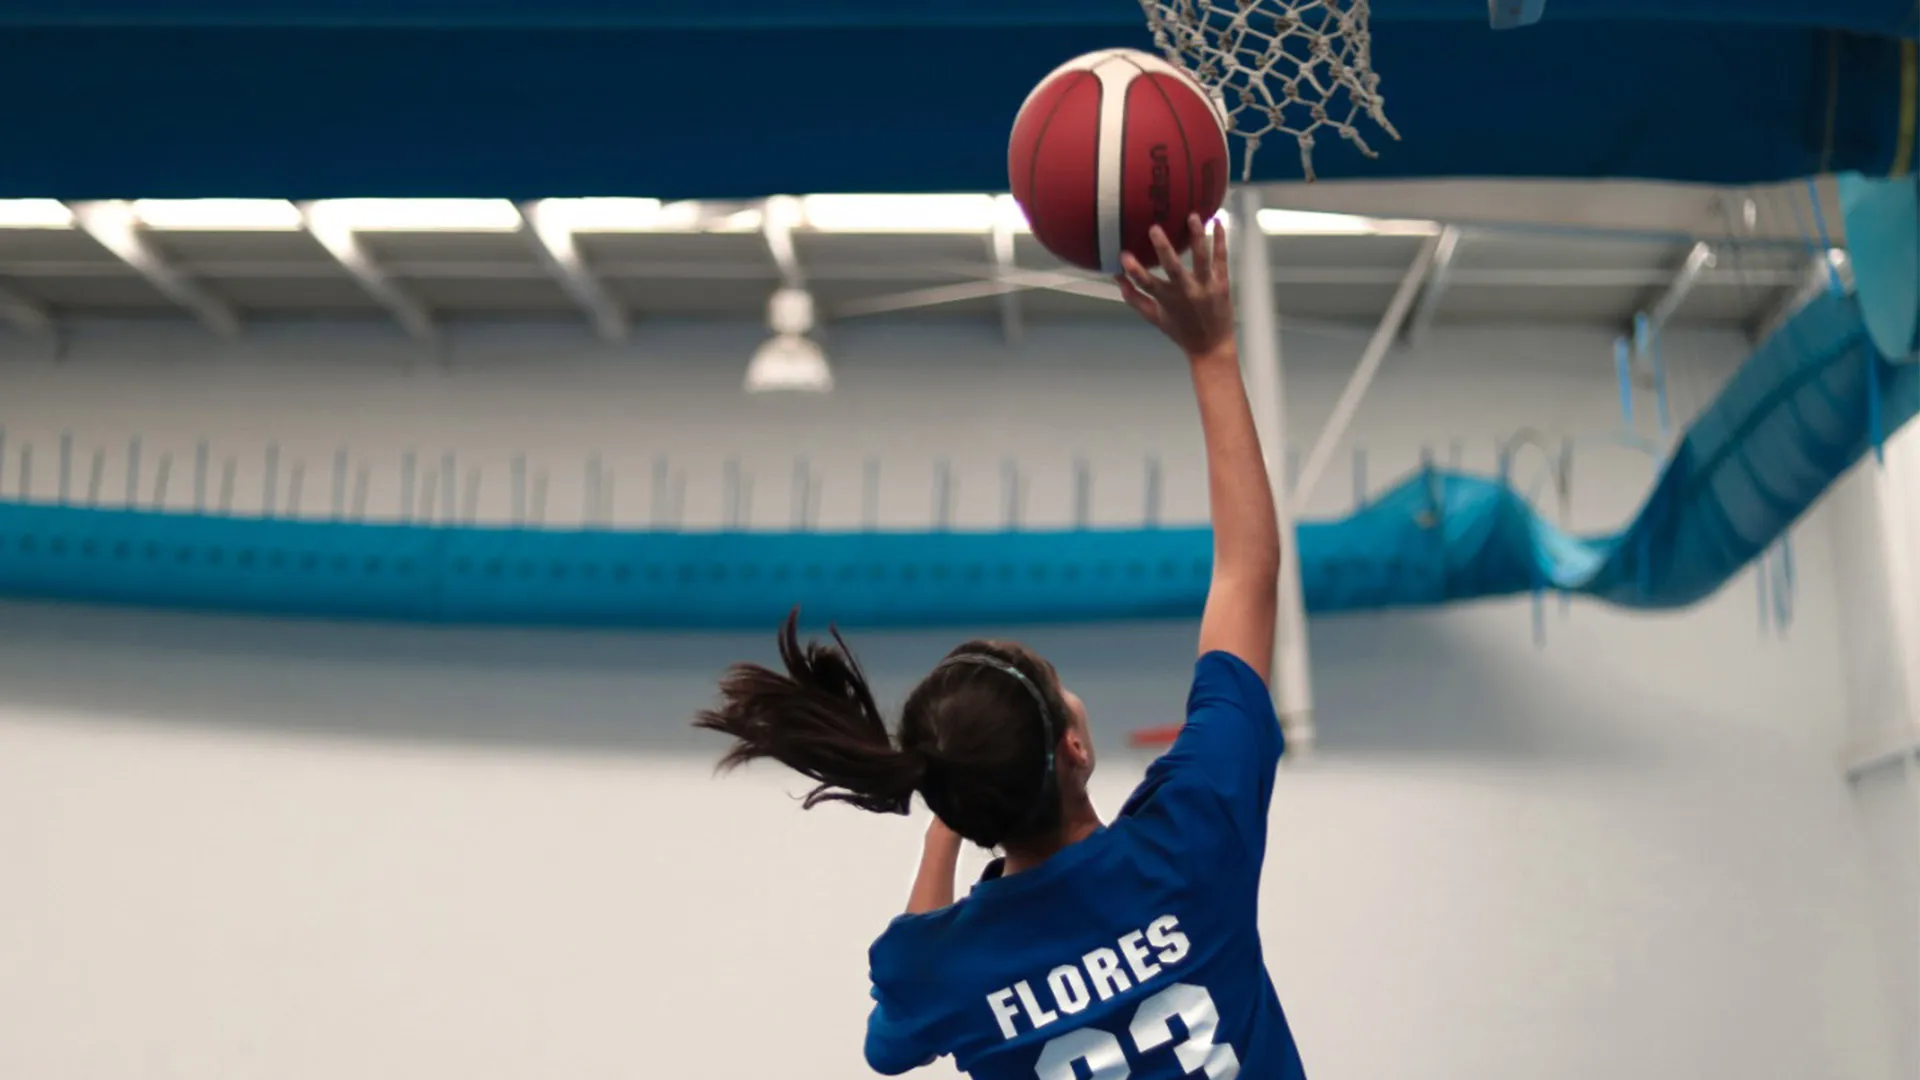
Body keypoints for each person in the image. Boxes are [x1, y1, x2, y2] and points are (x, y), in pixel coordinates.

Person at [695, 214, 1301, 1080]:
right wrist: (1210, 352)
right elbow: (1248, 573)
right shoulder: (1192, 839)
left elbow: (889, 1044)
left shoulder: (949, 969)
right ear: (1077, 744)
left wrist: (950, 820)